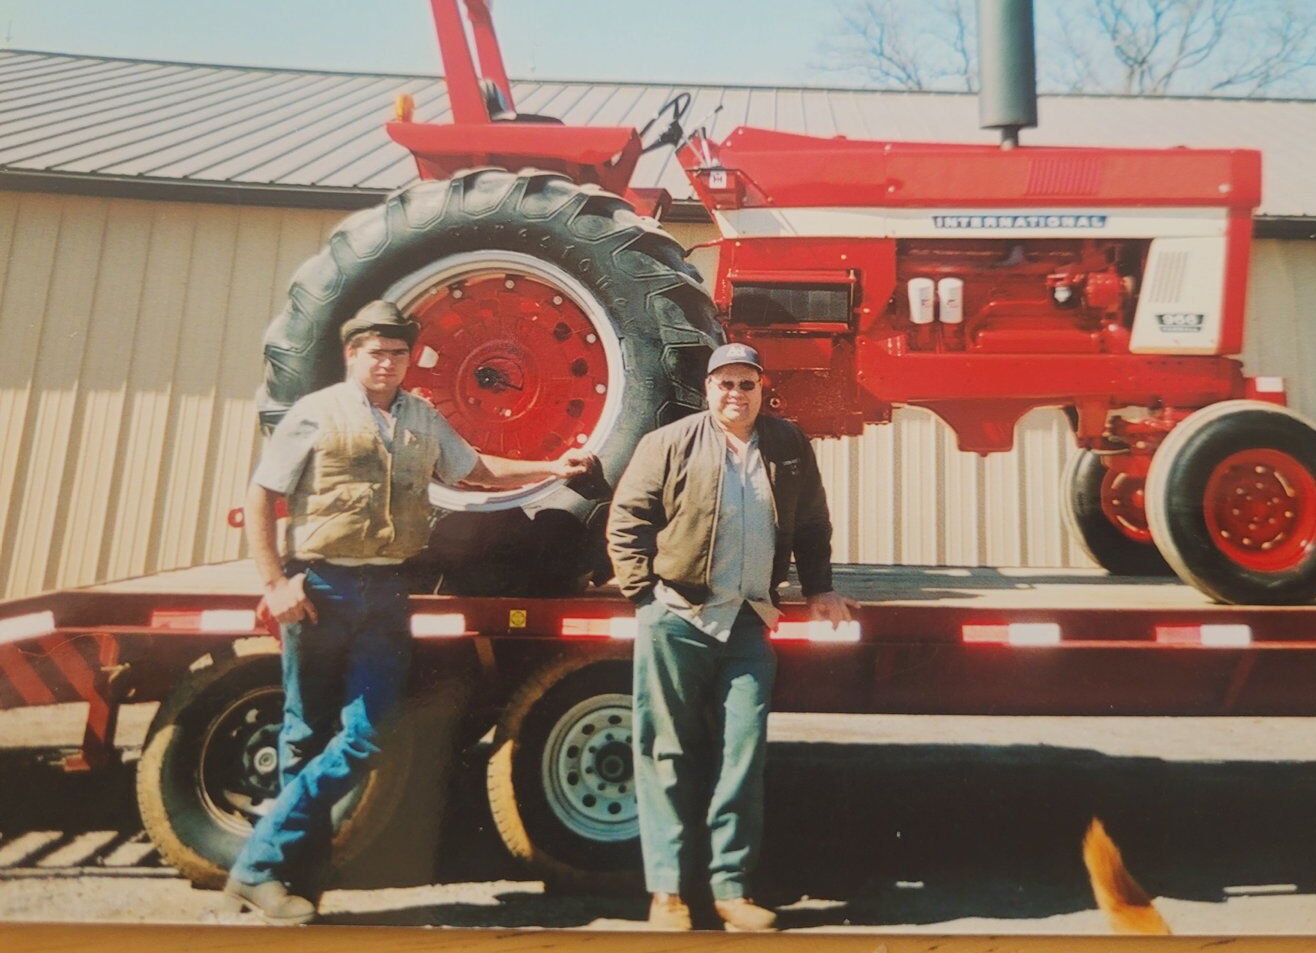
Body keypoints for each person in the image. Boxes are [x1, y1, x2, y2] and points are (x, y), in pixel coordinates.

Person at [228, 300, 593, 924]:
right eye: (376, 352)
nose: (387, 363)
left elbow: (476, 470)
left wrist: (550, 465)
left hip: (388, 591)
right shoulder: (316, 413)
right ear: (352, 355)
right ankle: (293, 882)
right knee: (302, 735)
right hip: (321, 589)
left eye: (397, 353)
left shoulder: (419, 417)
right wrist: (274, 582)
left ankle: (256, 865)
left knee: (367, 734)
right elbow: (262, 494)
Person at [607, 342, 856, 932]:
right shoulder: (669, 443)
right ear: (707, 389)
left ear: (762, 388)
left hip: (748, 623)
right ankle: (667, 893)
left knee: (741, 757)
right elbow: (628, 517)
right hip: (679, 619)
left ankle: (730, 889)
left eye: (747, 385)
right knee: (667, 754)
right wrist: (646, 596)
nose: (735, 395)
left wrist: (819, 586)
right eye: (725, 384)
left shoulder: (788, 445)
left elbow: (814, 522)